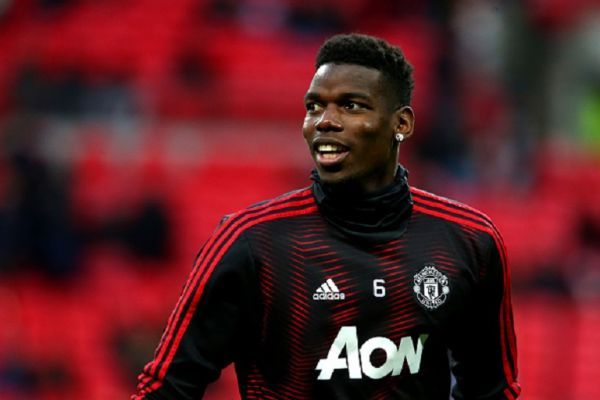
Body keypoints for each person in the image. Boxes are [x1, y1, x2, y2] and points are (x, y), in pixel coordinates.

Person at [132, 33, 520, 400]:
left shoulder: (468, 242)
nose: (325, 121)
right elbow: (167, 389)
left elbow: (491, 391)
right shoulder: (252, 242)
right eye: (314, 106)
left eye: (351, 106)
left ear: (401, 124)